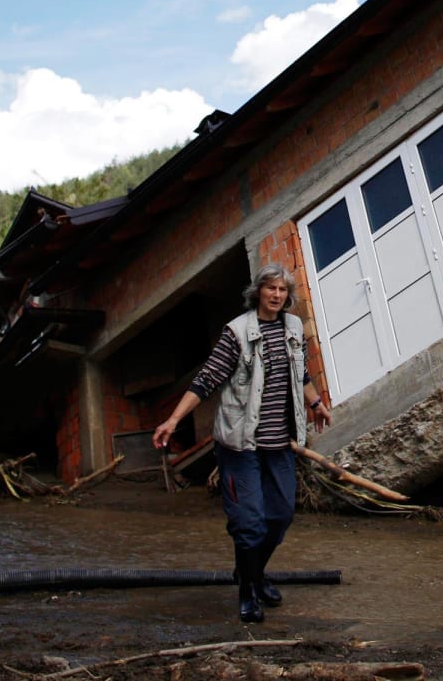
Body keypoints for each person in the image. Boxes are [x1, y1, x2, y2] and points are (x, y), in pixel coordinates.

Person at [152, 263, 332, 623]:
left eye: (282, 290)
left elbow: (302, 374)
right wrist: (173, 419)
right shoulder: (237, 333)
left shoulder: (293, 327)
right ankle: (248, 590)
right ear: (258, 292)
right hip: (240, 446)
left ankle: (253, 571)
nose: (277, 295)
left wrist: (315, 403)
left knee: (280, 515)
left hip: (278, 444)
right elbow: (206, 380)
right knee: (249, 522)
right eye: (270, 288)